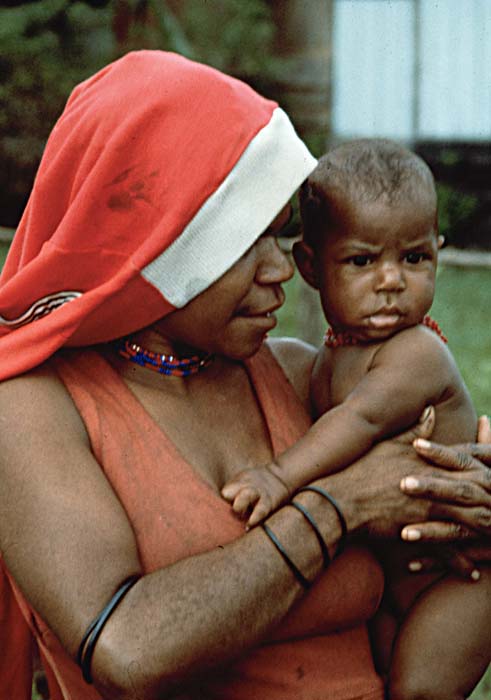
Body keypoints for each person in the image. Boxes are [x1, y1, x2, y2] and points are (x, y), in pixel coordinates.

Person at [0, 52, 490, 700]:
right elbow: (128, 649)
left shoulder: (297, 377)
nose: (281, 270)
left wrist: (471, 508)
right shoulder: (34, 408)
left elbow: (420, 585)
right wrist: (340, 504)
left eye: (280, 235)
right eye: (243, 242)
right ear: (153, 244)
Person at [221, 139, 491, 699]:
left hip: (460, 573)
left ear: (438, 254)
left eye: (414, 258)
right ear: (311, 267)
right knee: (381, 682)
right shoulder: (323, 358)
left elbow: (362, 421)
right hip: (397, 569)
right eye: (363, 261)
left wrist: (278, 478)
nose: (391, 280)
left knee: (417, 691)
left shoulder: (416, 352)